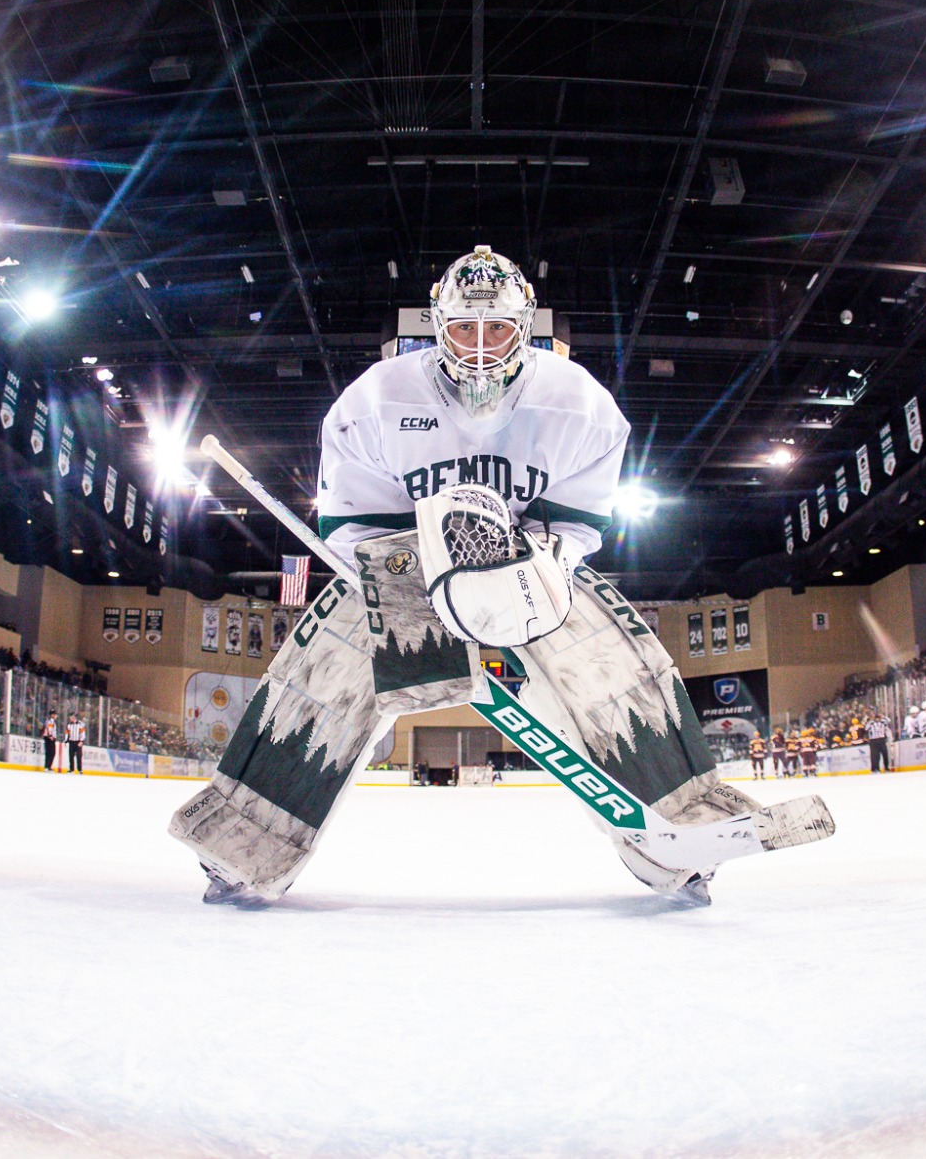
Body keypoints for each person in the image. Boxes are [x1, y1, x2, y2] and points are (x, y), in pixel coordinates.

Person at [170, 246, 820, 907]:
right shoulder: (373, 402)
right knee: (328, 662)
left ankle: (684, 827)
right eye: (463, 329)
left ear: (525, 326)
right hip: (407, 561)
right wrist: (413, 594)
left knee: (615, 655)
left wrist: (538, 570)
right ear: (437, 323)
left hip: (521, 558)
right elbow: (354, 533)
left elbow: (575, 530)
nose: (480, 348)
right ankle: (246, 833)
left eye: (499, 329)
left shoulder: (580, 407)